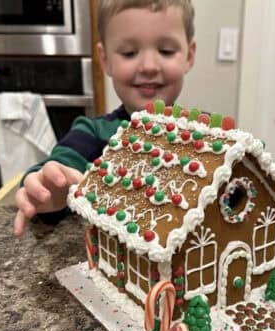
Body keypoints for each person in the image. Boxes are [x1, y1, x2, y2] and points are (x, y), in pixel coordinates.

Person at [13, 0, 197, 237]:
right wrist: (49, 188)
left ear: (189, 55)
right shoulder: (92, 134)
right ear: (105, 60)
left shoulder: (202, 136)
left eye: (166, 51)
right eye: (129, 53)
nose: (149, 66)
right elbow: (60, 166)